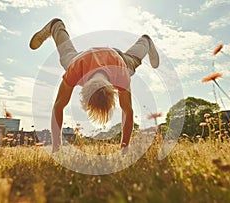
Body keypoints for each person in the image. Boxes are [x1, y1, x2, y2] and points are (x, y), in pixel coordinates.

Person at [29, 18, 159, 153]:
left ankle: (146, 41)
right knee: (66, 54)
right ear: (83, 89)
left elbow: (128, 112)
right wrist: (56, 148)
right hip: (82, 58)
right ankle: (56, 26)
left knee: (133, 60)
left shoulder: (121, 74)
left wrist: (124, 149)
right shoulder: (75, 69)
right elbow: (58, 106)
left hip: (117, 57)